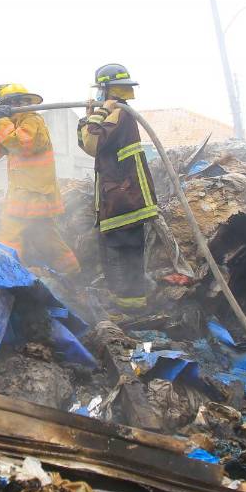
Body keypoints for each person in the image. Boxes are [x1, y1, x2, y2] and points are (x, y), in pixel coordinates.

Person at [0, 83, 80, 274]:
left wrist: (1, 120)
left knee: (8, 237)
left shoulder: (32, 121)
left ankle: (5, 277)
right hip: (32, 195)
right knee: (46, 239)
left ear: (14, 104)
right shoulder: (14, 126)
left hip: (31, 195)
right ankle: (72, 274)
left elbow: (18, 143)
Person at [77, 63, 157, 311]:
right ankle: (127, 306)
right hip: (121, 198)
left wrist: (98, 114)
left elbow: (93, 144)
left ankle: (129, 310)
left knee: (122, 257)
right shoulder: (115, 114)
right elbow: (88, 144)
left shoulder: (119, 114)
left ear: (106, 89)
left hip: (124, 200)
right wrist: (88, 116)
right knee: (119, 257)